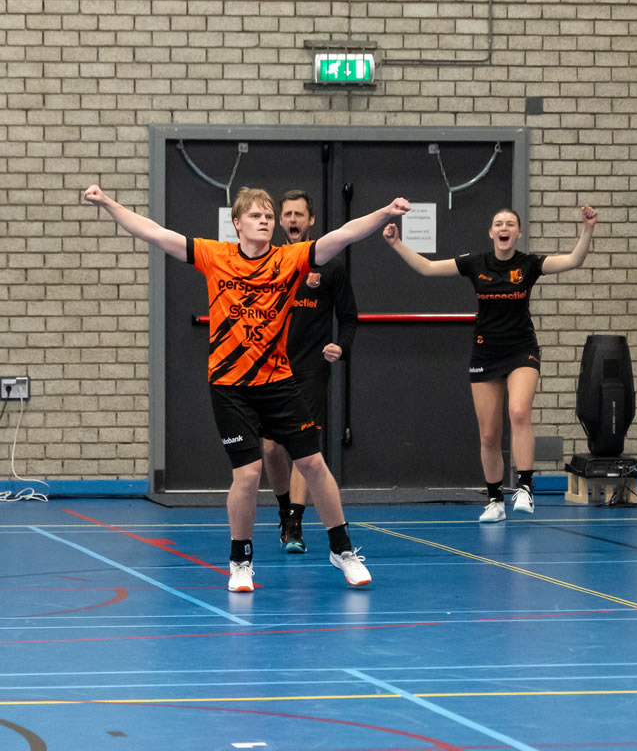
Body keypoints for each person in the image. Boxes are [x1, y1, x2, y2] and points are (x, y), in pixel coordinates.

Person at [83, 184, 410, 591]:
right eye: (257, 216)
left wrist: (384, 212)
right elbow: (154, 232)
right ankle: (240, 560)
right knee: (248, 472)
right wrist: (108, 203)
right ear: (237, 223)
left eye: (269, 216)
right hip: (230, 386)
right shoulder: (214, 256)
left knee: (313, 463)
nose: (266, 221)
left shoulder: (290, 259)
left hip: (278, 382)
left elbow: (343, 235)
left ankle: (342, 550)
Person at [382, 205, 597, 522]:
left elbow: (574, 260)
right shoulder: (475, 263)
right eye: (498, 223)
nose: (504, 228)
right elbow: (427, 268)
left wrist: (587, 229)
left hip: (521, 350)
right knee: (489, 435)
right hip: (486, 353)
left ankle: (525, 487)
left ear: (518, 233)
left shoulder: (529, 264)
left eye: (510, 223)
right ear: (491, 232)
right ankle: (495, 499)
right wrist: (396, 244)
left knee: (519, 412)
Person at [261, 190, 359, 554]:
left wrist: (341, 347)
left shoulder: (329, 266)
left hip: (311, 369)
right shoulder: (270, 261)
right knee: (271, 447)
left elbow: (348, 317)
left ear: (310, 220)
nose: (292, 220)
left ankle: (295, 523)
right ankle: (284, 506)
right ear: (279, 220)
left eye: (299, 214)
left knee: (303, 447)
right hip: (272, 368)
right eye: (287, 214)